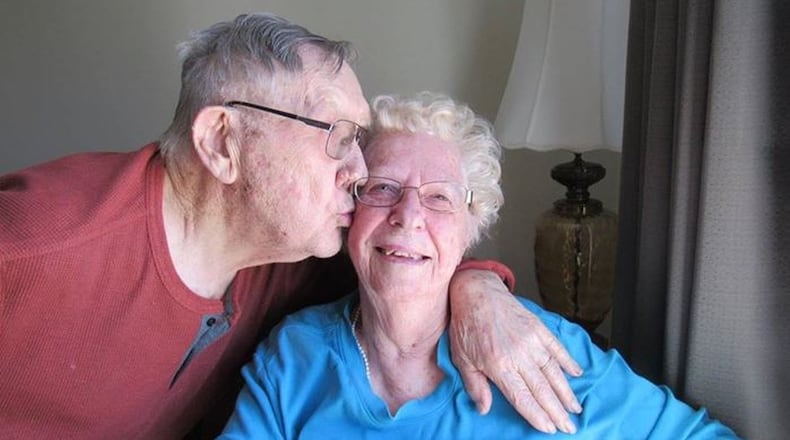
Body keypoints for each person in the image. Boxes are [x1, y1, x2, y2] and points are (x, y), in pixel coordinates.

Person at [0, 13, 583, 439]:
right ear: (223, 143)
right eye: (339, 137)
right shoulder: (33, 249)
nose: (359, 173)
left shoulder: (297, 250)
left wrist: (475, 286)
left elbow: (406, 249)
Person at [218, 92, 739, 439]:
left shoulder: (537, 349)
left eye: (440, 198)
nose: (409, 216)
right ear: (350, 210)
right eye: (382, 189)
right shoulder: (294, 357)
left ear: (472, 226)